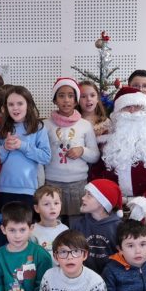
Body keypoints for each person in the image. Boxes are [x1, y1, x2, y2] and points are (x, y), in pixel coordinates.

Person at [89, 87, 146, 205]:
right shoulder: (104, 143)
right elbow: (97, 176)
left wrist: (145, 204)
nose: (132, 111)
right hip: (112, 205)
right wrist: (107, 202)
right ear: (118, 113)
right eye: (127, 107)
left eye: (137, 106)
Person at [44, 78, 99, 221]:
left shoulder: (85, 125)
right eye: (61, 96)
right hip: (52, 183)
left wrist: (82, 150)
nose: (66, 100)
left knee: (77, 224)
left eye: (70, 96)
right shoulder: (45, 125)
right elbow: (41, 155)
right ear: (55, 100)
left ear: (76, 100)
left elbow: (95, 155)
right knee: (54, 222)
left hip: (78, 184)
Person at [0, 85, 51, 208]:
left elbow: (46, 157)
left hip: (29, 189)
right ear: (5, 107)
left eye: (20, 103)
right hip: (4, 189)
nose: (15, 108)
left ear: (28, 105)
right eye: (11, 104)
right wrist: (5, 148)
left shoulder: (38, 127)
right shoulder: (2, 129)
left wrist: (23, 146)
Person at [72, 179, 123, 273]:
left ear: (102, 202)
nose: (83, 198)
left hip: (111, 277)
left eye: (89, 195)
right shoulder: (78, 224)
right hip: (83, 276)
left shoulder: (118, 227)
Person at [30, 185, 69, 261]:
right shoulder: (32, 231)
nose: (52, 207)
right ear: (37, 208)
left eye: (56, 203)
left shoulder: (65, 230)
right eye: (46, 204)